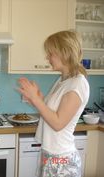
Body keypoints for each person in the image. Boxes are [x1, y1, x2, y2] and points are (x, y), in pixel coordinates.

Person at [18, 30, 90, 177]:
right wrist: (35, 98)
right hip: (51, 154)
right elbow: (50, 111)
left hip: (62, 159)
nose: (47, 58)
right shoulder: (63, 80)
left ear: (64, 53)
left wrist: (37, 100)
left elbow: (58, 123)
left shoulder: (77, 84)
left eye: (50, 53)